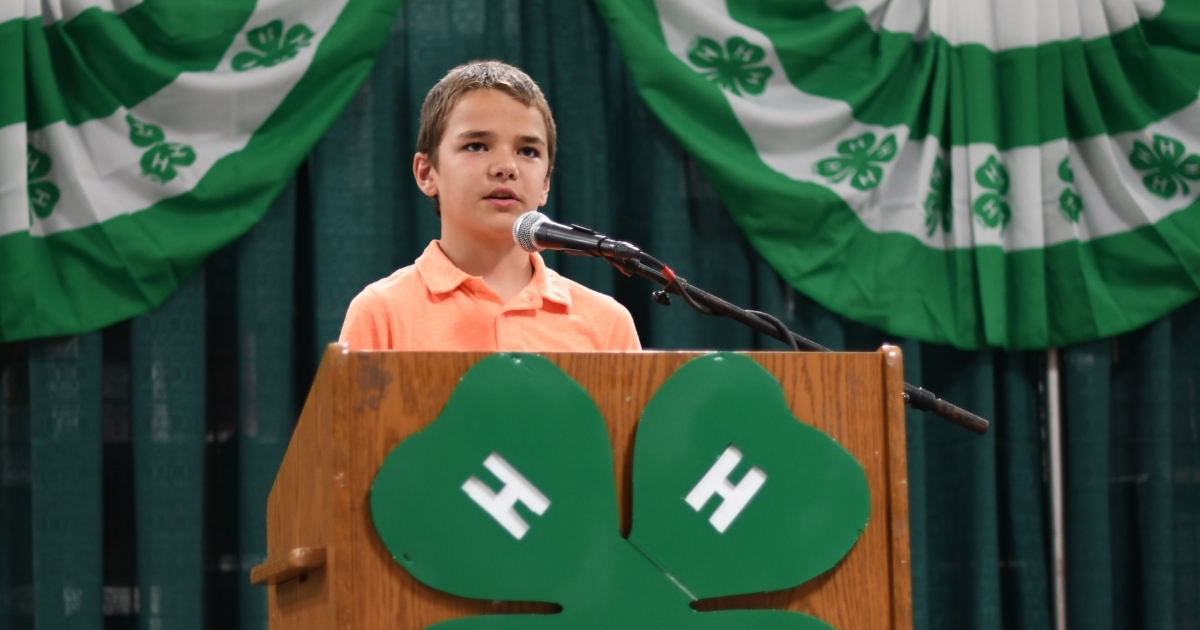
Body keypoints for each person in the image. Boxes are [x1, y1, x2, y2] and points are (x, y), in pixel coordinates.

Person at [338, 61, 640, 351]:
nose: (506, 167)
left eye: (527, 151)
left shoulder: (608, 324)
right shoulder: (382, 312)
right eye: (476, 146)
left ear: (546, 181)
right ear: (427, 173)